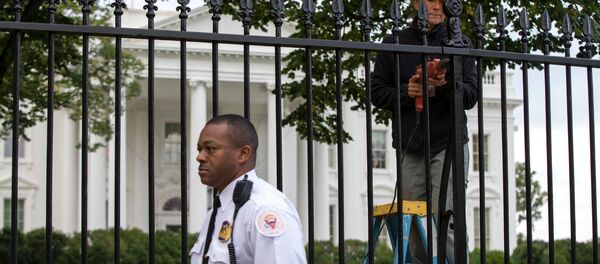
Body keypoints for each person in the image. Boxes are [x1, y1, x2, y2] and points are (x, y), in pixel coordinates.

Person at [371, 0, 477, 263]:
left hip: (449, 144)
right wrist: (406, 92)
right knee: (416, 226)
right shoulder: (394, 43)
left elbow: (471, 96)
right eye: (432, 0)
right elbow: (376, 93)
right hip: (410, 146)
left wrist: (445, 84)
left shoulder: (460, 43)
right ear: (416, 3)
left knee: (448, 221)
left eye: (444, 1)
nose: (438, 6)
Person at [189, 114, 307, 264]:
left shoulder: (264, 209)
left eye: (210, 148)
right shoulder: (219, 210)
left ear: (243, 154)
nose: (200, 157)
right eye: (200, 149)